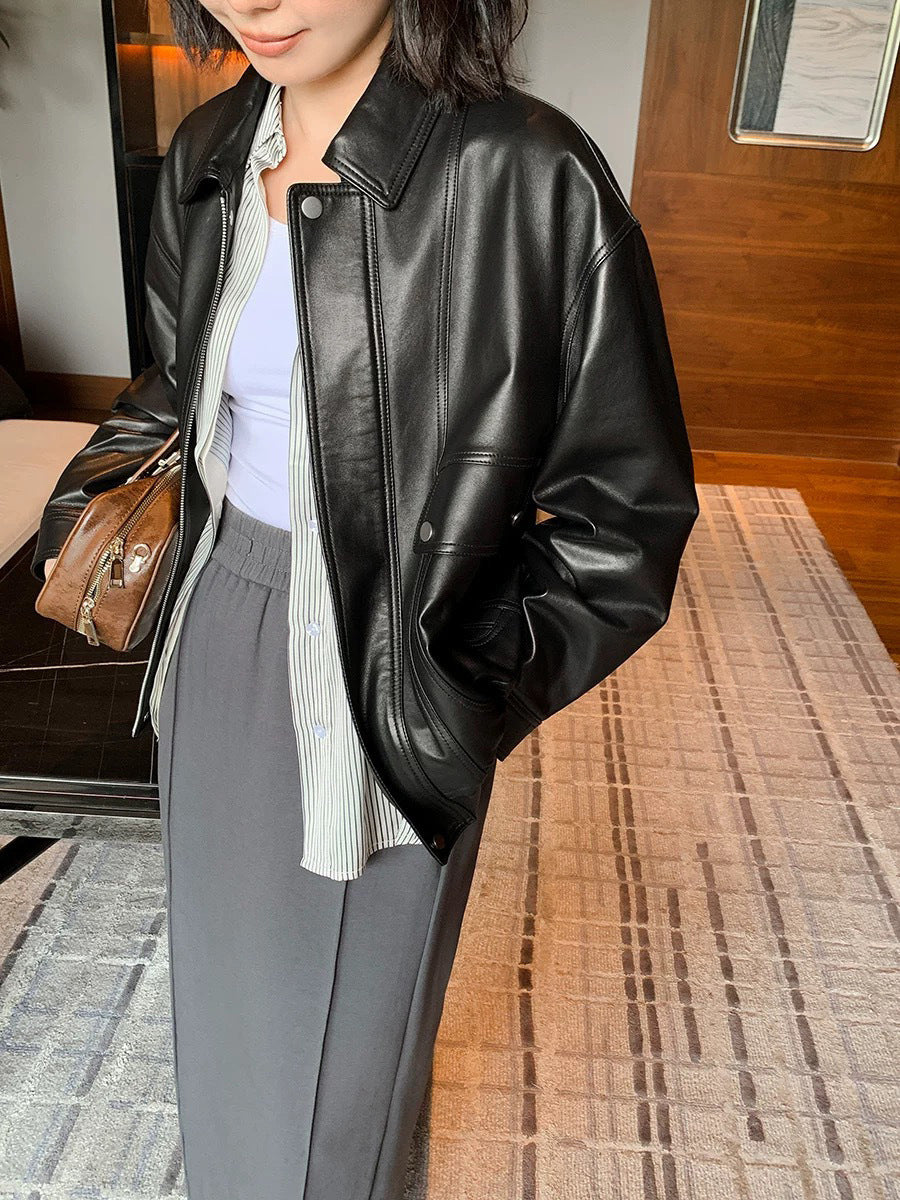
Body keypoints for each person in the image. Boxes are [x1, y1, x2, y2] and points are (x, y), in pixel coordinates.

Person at [32, 1, 700, 1196]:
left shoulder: (530, 176)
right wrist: (84, 513)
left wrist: (455, 682)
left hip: (384, 663)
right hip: (215, 621)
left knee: (341, 1073)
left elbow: (625, 521)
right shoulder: (212, 148)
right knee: (230, 1005)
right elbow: (179, 387)